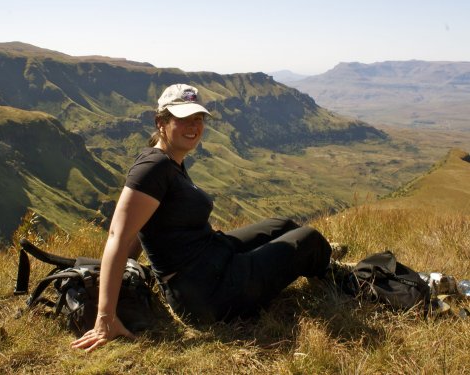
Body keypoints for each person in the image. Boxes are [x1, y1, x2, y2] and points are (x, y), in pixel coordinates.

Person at [71, 83, 332, 352]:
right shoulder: (153, 167)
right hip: (206, 292)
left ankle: (318, 262)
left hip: (213, 256)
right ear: (161, 122)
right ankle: (336, 275)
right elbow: (118, 235)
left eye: (198, 118)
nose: (194, 126)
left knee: (283, 225)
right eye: (183, 118)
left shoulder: (172, 160)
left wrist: (131, 272)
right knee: (308, 239)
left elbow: (143, 225)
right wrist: (105, 317)